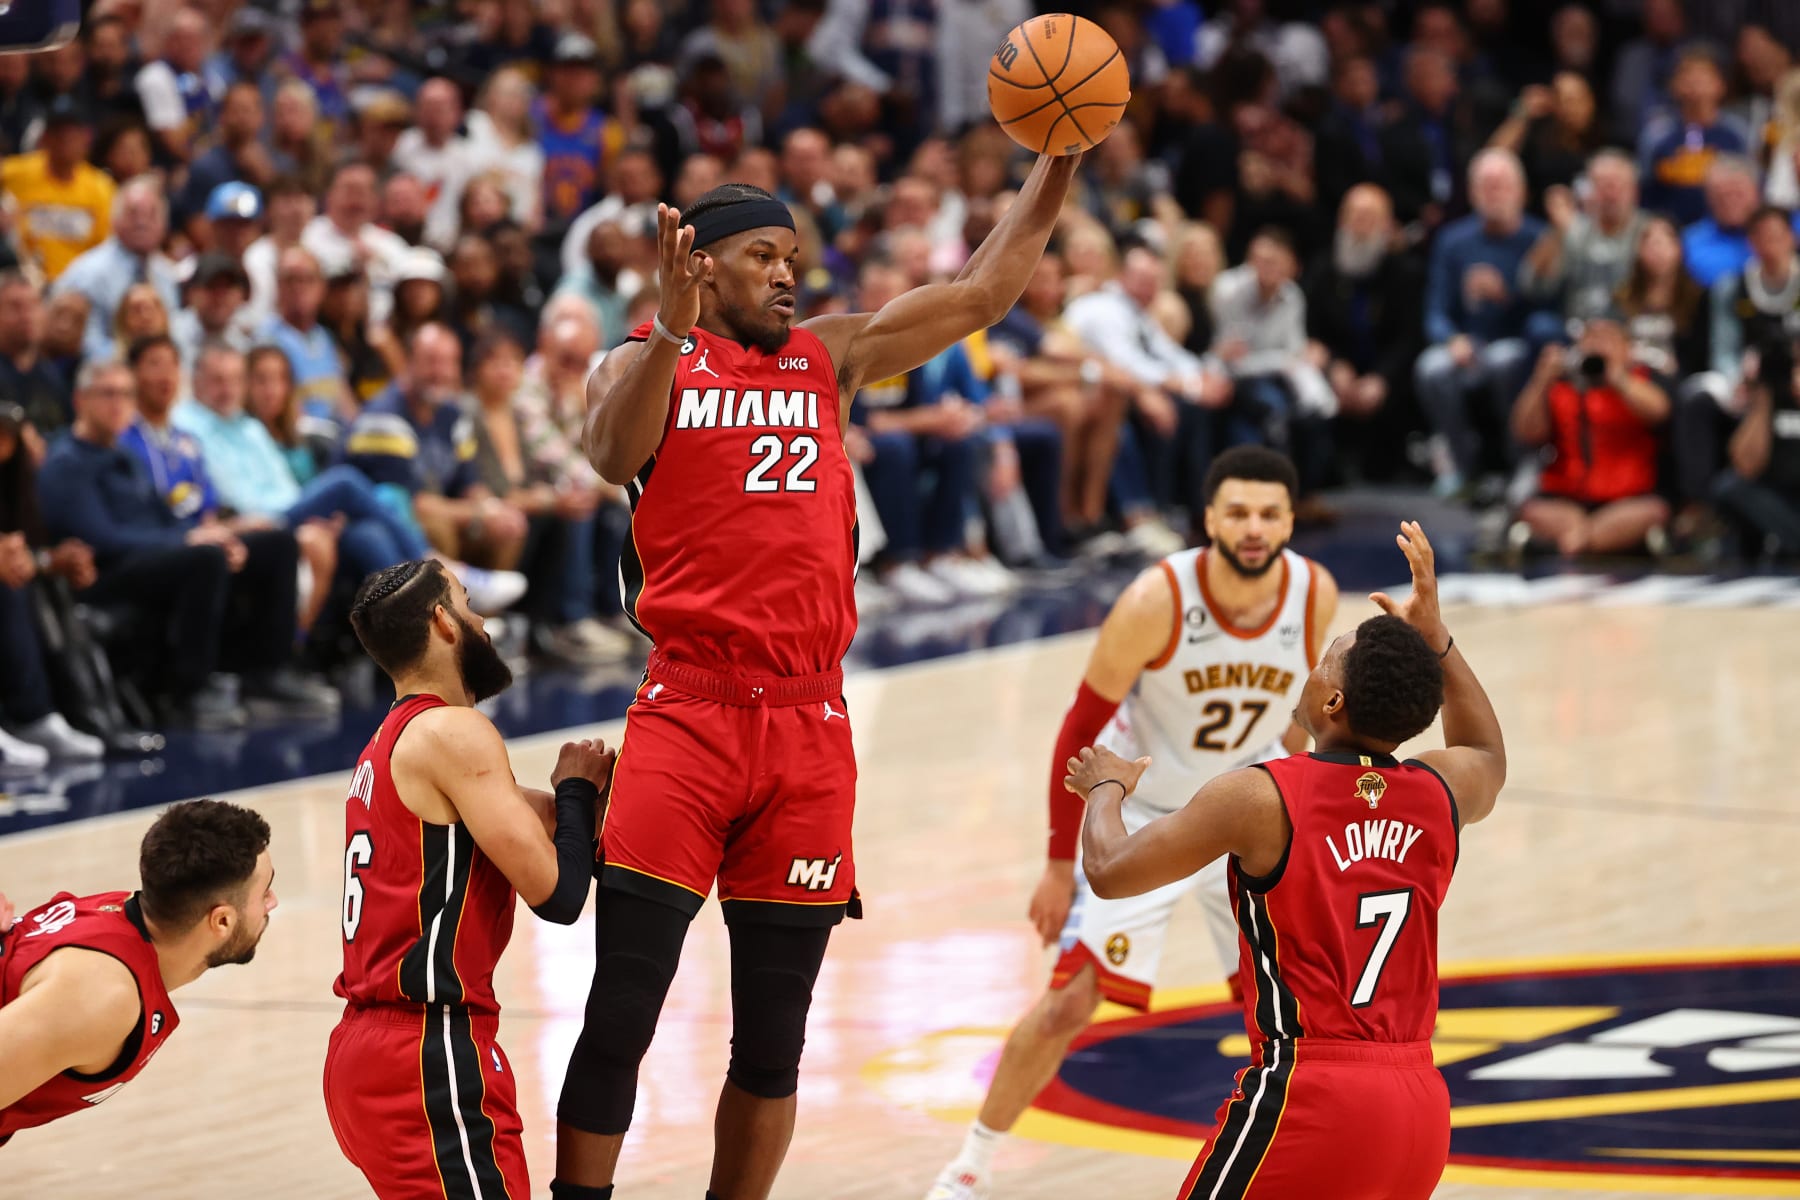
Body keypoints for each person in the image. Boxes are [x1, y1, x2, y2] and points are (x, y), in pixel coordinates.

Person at [558, 154, 1083, 1200]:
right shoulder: (634, 364)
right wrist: (666, 329)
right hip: (689, 714)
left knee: (774, 1041)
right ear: (696, 268)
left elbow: (981, 291)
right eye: (763, 257)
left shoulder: (827, 357)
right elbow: (613, 454)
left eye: (793, 256)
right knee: (623, 1008)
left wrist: (1056, 159)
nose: (788, 276)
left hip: (808, 728)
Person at [924, 447, 1338, 1200]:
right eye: (1238, 512)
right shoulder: (1157, 599)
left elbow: (1303, 718)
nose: (1254, 528)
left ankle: (1291, 1165)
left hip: (1243, 818)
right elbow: (1080, 728)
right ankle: (969, 1168)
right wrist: (1058, 862)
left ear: (1289, 520)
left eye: (1270, 513)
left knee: (1278, 1004)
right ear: (1209, 518)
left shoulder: (1314, 592)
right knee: (1071, 1001)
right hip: (1144, 815)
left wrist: (1297, 808)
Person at [1066, 521, 1506, 1199]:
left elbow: (1111, 869)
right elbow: (1487, 754)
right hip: (1421, 1104)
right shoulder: (1438, 792)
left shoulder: (1260, 795)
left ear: (1331, 702)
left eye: (1327, 658)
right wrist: (1436, 637)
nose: (1316, 664)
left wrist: (1106, 788)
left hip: (1311, 1090)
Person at [322, 559, 615, 1199]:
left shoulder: (391, 744)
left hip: (373, 1049)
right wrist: (572, 788)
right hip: (425, 1051)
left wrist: (579, 803)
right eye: (467, 602)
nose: (483, 619)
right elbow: (560, 896)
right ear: (442, 623)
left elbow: (550, 826)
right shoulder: (454, 733)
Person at [0, 799, 276, 1144]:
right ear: (221, 920)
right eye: (264, 892)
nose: (272, 901)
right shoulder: (102, 994)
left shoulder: (116, 920)